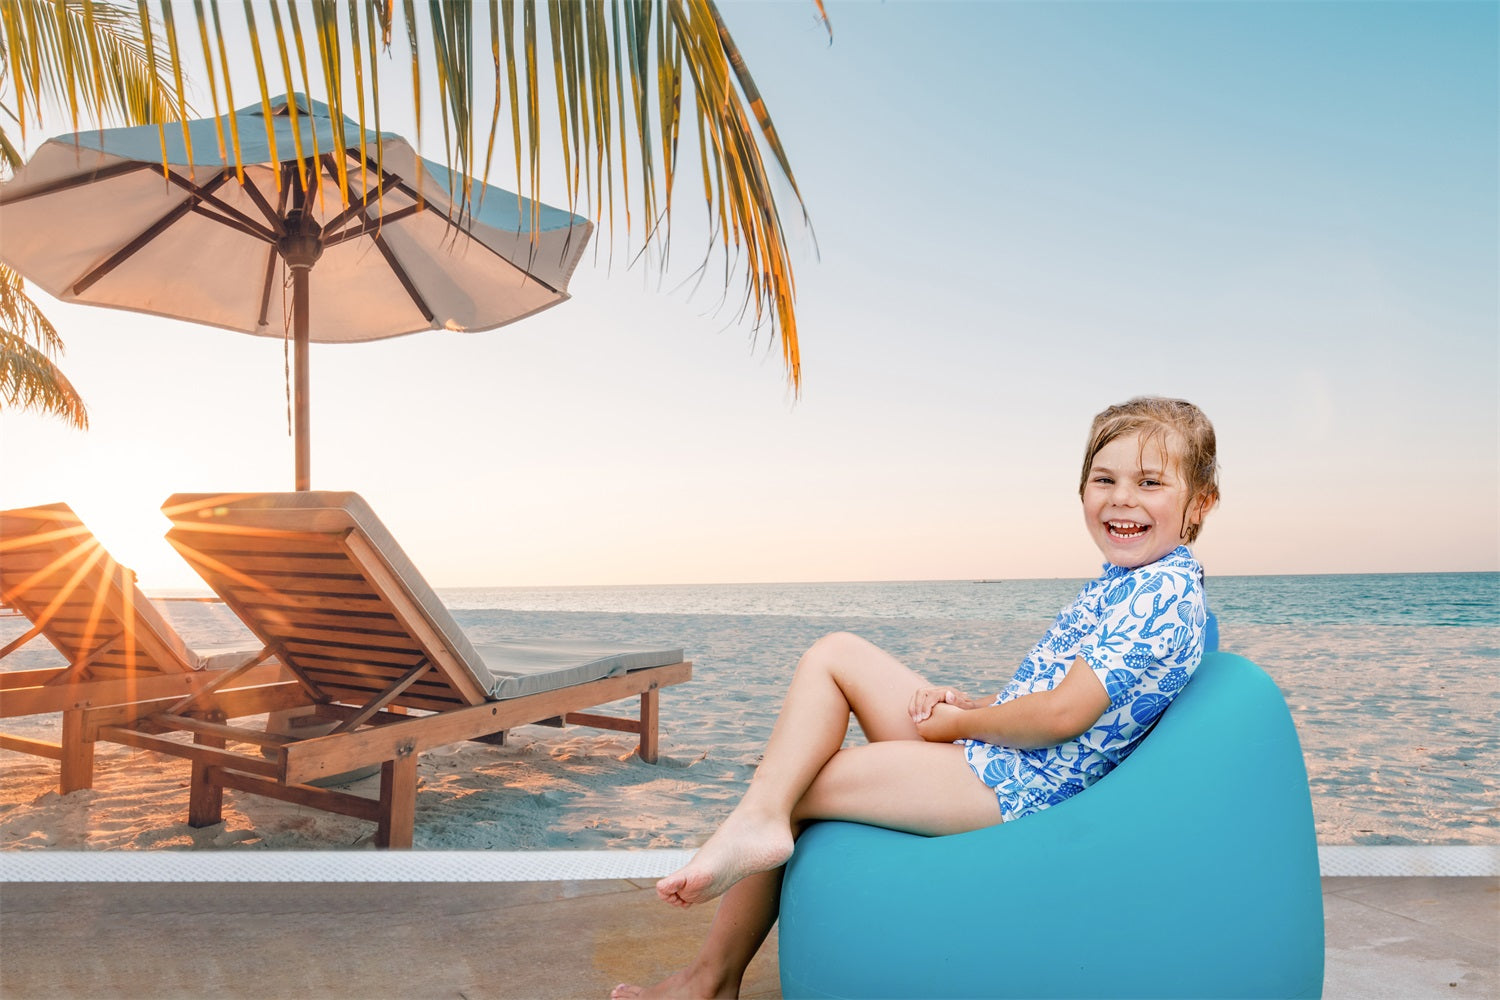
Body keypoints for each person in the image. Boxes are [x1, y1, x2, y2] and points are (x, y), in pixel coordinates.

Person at [612, 396, 1221, 1000]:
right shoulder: (1135, 582)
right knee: (836, 654)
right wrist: (971, 702)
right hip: (1008, 760)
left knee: (801, 780)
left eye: (1149, 482)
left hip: (1019, 789)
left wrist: (965, 723)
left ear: (1199, 503)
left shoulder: (1158, 593)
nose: (1121, 498)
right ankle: (761, 817)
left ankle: (710, 978)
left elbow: (1063, 715)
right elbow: (1064, 693)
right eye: (1103, 479)